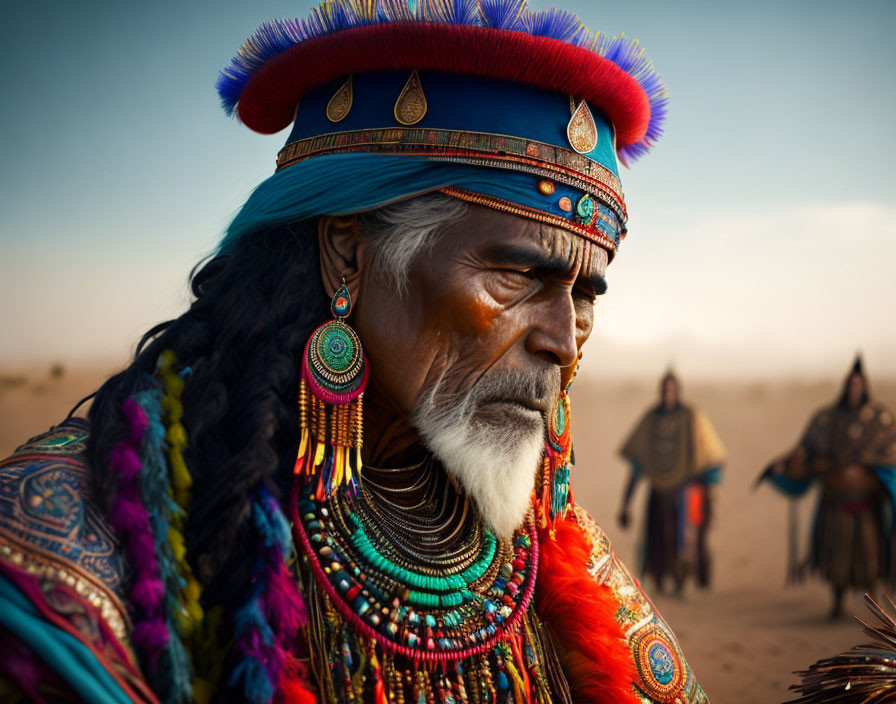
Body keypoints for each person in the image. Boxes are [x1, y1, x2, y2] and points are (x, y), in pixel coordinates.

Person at [0, 2, 708, 703]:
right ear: (347, 254)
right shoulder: (89, 532)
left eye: (585, 296)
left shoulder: (550, 551)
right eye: (519, 275)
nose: (562, 339)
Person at [761, 356, 896, 619]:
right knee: (835, 556)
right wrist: (784, 464)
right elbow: (806, 450)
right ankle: (838, 603)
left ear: (864, 386)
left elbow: (890, 456)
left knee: (868, 556)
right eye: (851, 383)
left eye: (859, 384)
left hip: (866, 504)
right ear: (846, 386)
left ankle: (873, 605)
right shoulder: (827, 418)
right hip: (834, 501)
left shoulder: (880, 419)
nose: (854, 388)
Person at [617, 371, 726, 594]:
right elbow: (637, 467)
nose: (668, 394)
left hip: (683, 491)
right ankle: (659, 582)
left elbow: (708, 458)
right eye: (664, 389)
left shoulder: (691, 417)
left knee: (683, 539)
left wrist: (708, 498)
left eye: (671, 389)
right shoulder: (651, 419)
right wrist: (625, 504)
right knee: (656, 539)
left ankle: (681, 581)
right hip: (657, 491)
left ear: (677, 391)